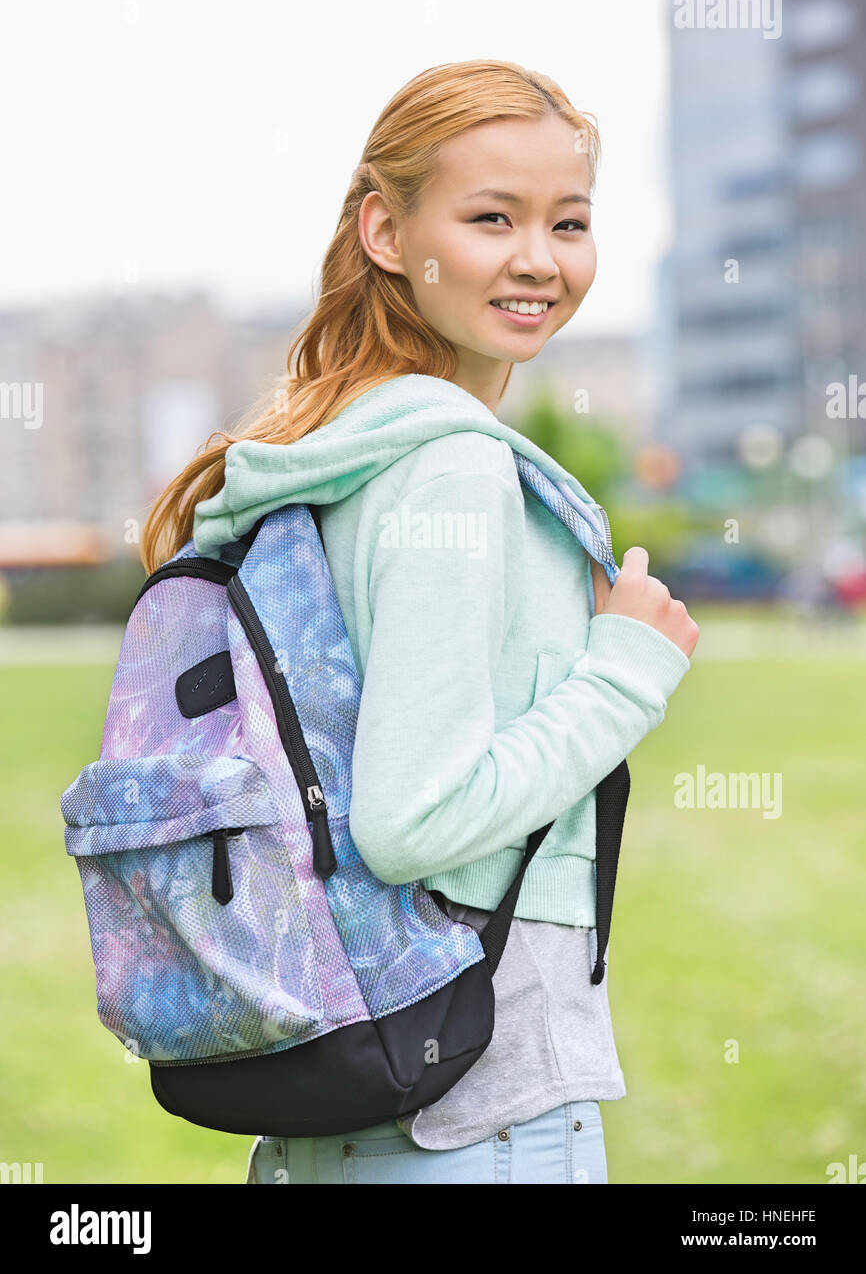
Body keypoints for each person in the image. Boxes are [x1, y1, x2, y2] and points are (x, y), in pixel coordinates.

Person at [142, 59, 699, 1184]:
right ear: (386, 233)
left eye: (569, 221)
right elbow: (412, 819)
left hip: (329, 1108)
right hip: (472, 1117)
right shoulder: (452, 469)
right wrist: (625, 670)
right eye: (491, 218)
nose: (538, 258)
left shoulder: (328, 458)